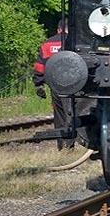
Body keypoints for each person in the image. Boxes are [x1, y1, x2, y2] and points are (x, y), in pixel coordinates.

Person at [33, 19, 74, 149]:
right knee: (73, 112)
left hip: (56, 85)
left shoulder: (47, 44)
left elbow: (40, 66)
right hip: (76, 84)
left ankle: (63, 145)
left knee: (59, 115)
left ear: (58, 29)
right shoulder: (74, 42)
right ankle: (73, 142)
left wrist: (38, 83)